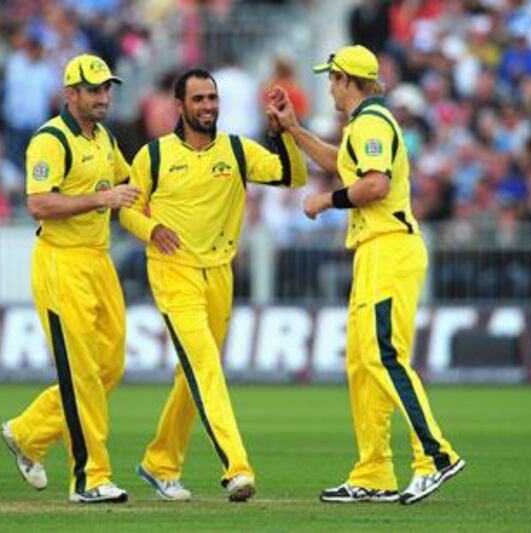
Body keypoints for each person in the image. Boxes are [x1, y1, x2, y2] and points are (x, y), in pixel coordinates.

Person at [267, 45, 465, 505]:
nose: (329, 87)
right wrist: (294, 129)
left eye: (331, 79)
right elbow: (343, 164)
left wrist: (325, 202)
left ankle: (435, 456)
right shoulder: (363, 124)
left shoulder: (372, 122)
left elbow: (374, 185)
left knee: (384, 357)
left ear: (345, 79)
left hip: (389, 249)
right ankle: (374, 471)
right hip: (375, 251)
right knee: (363, 362)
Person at [120, 69, 308, 502]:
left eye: (212, 98)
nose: (208, 107)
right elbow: (128, 209)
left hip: (220, 273)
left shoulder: (237, 149)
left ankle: (160, 462)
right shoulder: (154, 155)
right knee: (205, 367)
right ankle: (237, 468)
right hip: (173, 270)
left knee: (193, 376)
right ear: (179, 106)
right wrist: (152, 230)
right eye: (199, 99)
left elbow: (291, 176)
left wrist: (283, 133)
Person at [0, 54, 137, 504]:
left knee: (109, 368)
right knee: (82, 375)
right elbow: (39, 204)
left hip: (98, 260)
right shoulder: (50, 140)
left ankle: (28, 432)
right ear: (70, 94)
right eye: (94, 90)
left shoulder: (104, 138)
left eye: (107, 89)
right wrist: (102, 198)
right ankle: (90, 478)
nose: (103, 97)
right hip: (61, 262)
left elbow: (130, 185)